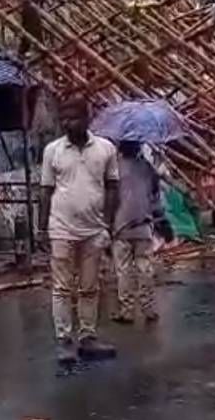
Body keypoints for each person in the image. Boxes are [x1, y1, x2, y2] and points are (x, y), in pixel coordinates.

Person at [40, 97, 120, 363]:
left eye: (73, 117)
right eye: (64, 118)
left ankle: (88, 337)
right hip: (61, 228)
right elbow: (46, 190)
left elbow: (112, 187)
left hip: (94, 230)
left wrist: (108, 224)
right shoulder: (52, 150)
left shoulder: (105, 149)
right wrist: (42, 228)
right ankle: (64, 340)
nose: (67, 123)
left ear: (87, 119)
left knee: (89, 287)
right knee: (62, 288)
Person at [110, 141, 161, 324]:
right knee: (145, 268)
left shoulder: (114, 168)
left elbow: (109, 198)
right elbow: (155, 194)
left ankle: (127, 311)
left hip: (121, 225)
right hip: (144, 225)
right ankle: (148, 309)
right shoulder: (147, 167)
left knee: (123, 270)